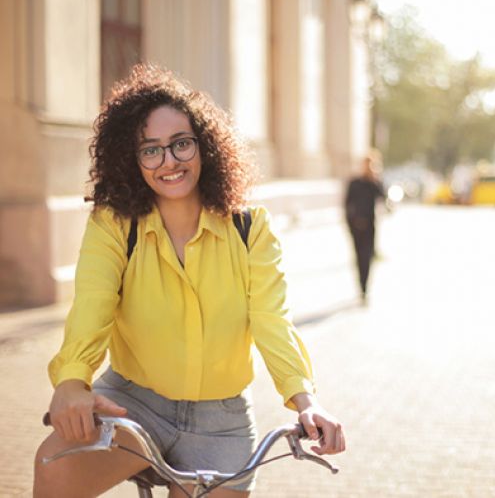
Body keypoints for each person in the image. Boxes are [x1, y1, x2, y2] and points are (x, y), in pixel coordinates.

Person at [33, 63, 345, 497]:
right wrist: (72, 382)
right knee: (54, 467)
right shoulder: (114, 224)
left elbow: (272, 321)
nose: (170, 162)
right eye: (151, 150)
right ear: (132, 159)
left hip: (222, 420)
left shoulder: (249, 227)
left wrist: (306, 401)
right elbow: (91, 307)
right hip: (131, 402)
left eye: (181, 144)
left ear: (205, 147)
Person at [345, 151, 386, 303]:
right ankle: (361, 286)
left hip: (370, 226)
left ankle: (365, 288)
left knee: (368, 257)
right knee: (358, 257)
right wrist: (350, 224)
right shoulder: (354, 182)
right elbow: (347, 205)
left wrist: (375, 179)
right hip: (356, 227)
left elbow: (383, 197)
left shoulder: (374, 183)